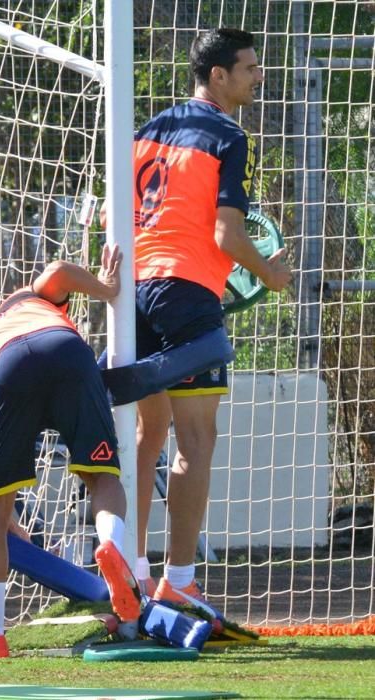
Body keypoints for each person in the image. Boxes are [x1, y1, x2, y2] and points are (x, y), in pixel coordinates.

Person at [131, 28, 292, 603]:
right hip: (184, 292)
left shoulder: (148, 129)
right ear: (218, 75)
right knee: (195, 440)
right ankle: (177, 583)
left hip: (133, 292)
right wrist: (269, 274)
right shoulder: (229, 133)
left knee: (145, 436)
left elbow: (108, 216)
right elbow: (227, 233)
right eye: (250, 68)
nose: (258, 76)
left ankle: (131, 571)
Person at [0, 244, 140, 658]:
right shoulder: (38, 301)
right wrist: (105, 288)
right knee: (103, 476)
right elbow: (57, 270)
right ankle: (112, 550)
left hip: (6, 364)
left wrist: (6, 521)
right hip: (68, 351)